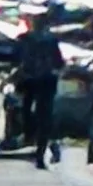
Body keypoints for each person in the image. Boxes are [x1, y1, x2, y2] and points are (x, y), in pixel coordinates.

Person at [14, 22, 65, 167]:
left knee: (27, 111)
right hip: (46, 81)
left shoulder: (24, 40)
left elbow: (17, 59)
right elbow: (58, 62)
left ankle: (31, 137)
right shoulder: (51, 41)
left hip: (30, 80)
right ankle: (42, 151)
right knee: (45, 116)